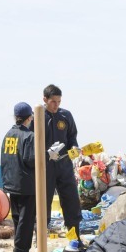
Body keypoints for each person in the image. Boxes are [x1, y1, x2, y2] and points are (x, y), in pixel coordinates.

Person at [33, 84, 82, 240]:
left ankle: (74, 238)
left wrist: (74, 148)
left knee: (71, 202)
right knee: (43, 204)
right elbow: (30, 142)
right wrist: (45, 153)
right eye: (53, 102)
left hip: (64, 166)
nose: (56, 105)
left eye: (59, 102)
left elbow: (72, 137)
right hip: (45, 167)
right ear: (45, 100)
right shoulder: (37, 116)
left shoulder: (65, 116)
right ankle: (40, 239)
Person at [0, 102, 36, 252]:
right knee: (26, 221)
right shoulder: (29, 136)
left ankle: (19, 250)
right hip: (26, 185)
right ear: (29, 118)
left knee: (17, 219)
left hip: (11, 183)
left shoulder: (8, 134)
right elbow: (31, 160)